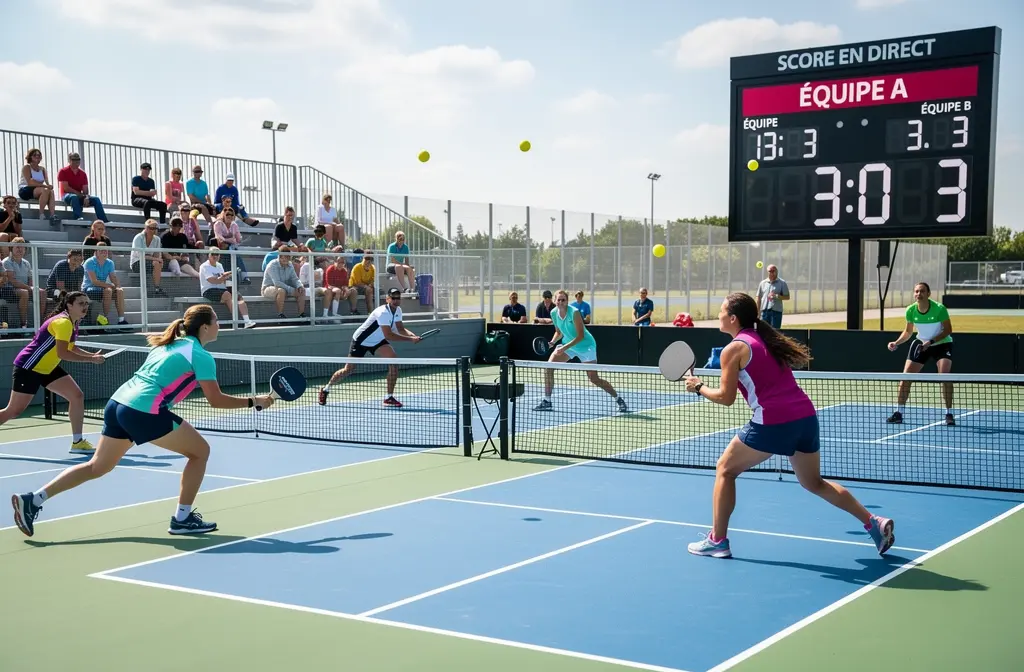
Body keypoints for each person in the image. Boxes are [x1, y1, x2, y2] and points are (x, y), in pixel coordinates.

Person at [10, 305, 275, 538]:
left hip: (117, 404)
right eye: (217, 321)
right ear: (205, 327)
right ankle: (182, 518)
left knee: (97, 467)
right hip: (143, 410)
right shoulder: (200, 355)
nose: (219, 325)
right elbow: (215, 400)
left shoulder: (168, 344)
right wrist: (254, 401)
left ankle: (33, 500)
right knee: (201, 452)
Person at [682, 292, 895, 559]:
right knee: (813, 482)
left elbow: (726, 399)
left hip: (774, 422)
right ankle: (872, 522)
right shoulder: (767, 340)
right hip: (806, 418)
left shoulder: (733, 349)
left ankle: (718, 540)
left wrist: (698, 386)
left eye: (722, 310)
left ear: (733, 318)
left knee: (725, 469)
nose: (719, 315)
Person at [0, 291, 105, 455]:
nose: (85, 307)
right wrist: (90, 360)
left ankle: (77, 442)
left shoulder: (73, 322)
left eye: (86, 303)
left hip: (48, 368)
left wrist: (92, 355)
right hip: (29, 367)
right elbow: (63, 353)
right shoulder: (63, 323)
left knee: (77, 396)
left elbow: (72, 348)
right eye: (81, 303)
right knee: (13, 411)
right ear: (69, 305)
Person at [318, 288, 422, 408]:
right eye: (393, 298)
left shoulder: (398, 310)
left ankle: (388, 397)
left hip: (377, 340)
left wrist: (413, 335)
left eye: (398, 298)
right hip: (361, 341)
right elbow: (389, 335)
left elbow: (400, 329)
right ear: (387, 299)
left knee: (394, 361)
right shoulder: (382, 312)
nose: (395, 300)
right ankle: (326, 389)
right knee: (348, 369)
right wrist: (410, 340)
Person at [533, 289, 627, 413]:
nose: (560, 302)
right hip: (568, 344)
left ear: (567, 301)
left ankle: (618, 398)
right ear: (554, 300)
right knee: (548, 368)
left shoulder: (574, 312)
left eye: (563, 300)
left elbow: (580, 336)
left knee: (594, 378)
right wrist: (552, 342)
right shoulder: (553, 313)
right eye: (558, 300)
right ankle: (547, 401)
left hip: (586, 346)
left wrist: (564, 348)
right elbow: (559, 332)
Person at [886, 281, 955, 426]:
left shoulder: (939, 309)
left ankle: (949, 413)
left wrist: (930, 341)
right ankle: (898, 413)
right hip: (921, 345)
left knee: (945, 377)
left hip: (942, 344)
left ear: (928, 294)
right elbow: (908, 332)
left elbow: (948, 330)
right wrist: (896, 342)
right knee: (905, 379)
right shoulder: (911, 310)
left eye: (922, 291)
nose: (919, 294)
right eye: (916, 291)